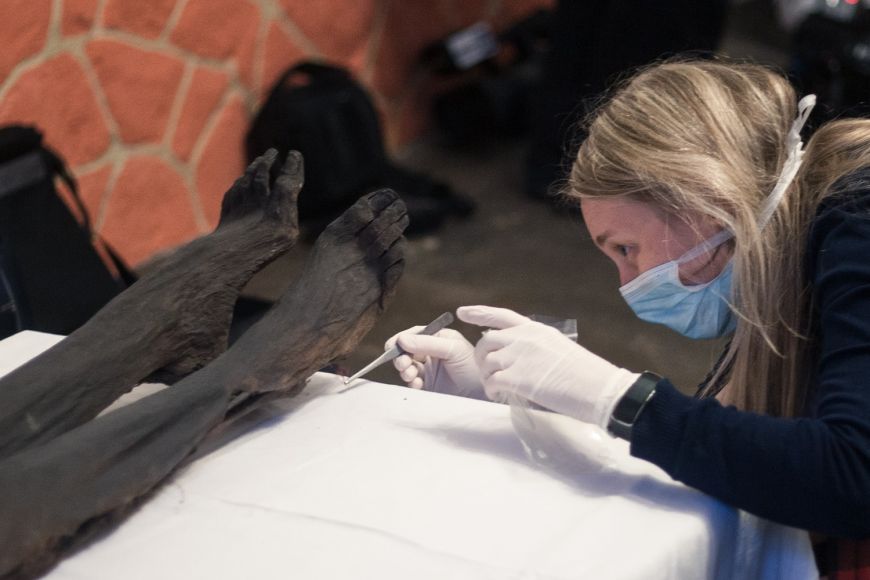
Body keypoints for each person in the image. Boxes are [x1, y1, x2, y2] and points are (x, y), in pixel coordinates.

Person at [388, 59, 870, 570]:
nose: (627, 283)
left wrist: (617, 397)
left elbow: (851, 479)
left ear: (706, 202)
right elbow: (748, 450)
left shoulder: (858, 225)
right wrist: (519, 407)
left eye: (626, 248)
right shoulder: (784, 241)